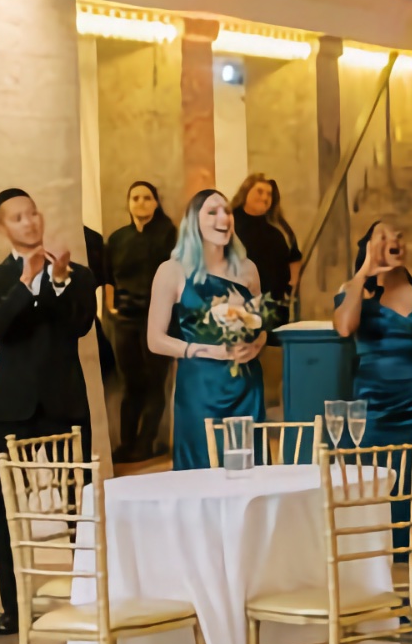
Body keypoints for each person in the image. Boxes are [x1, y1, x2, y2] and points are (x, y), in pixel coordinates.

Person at [0, 189, 97, 637]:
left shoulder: (78, 274)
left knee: (80, 506)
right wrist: (27, 281)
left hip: (65, 403)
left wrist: (58, 281)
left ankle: (89, 596)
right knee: (11, 510)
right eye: (18, 217)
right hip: (11, 408)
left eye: (33, 213)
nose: (29, 222)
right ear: (2, 227)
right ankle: (15, 606)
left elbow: (79, 325)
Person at [331, 220, 412, 566]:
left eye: (398, 235)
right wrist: (364, 272)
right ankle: (373, 574)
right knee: (373, 487)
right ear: (369, 246)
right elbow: (344, 327)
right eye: (382, 236)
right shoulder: (354, 289)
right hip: (373, 406)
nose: (393, 240)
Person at [147, 189, 265, 473]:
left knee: (250, 471)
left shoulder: (248, 269)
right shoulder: (172, 271)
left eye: (227, 211)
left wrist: (255, 346)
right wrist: (207, 350)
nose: (223, 218)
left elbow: (261, 327)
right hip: (200, 387)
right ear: (193, 221)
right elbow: (155, 340)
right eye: (212, 212)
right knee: (202, 468)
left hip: (246, 385)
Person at [102, 181, 175, 463]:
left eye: (147, 197)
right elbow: (108, 277)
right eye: (135, 198)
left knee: (155, 382)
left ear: (156, 203)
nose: (141, 202)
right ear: (128, 203)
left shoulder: (168, 235)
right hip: (125, 320)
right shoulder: (118, 239)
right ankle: (127, 443)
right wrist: (111, 307)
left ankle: (146, 443)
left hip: (158, 317)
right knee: (130, 383)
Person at [232, 174, 301, 324]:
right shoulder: (228, 222)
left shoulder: (279, 226)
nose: (264, 198)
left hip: (275, 309)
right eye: (259, 191)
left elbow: (294, 257)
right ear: (245, 192)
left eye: (269, 194)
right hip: (239, 309)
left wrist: (291, 287)